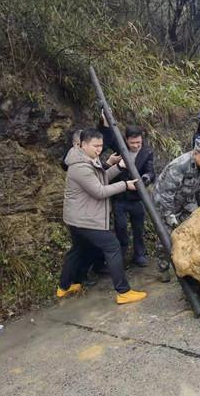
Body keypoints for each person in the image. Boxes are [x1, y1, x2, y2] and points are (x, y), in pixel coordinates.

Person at [58, 128, 147, 304]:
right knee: (112, 246)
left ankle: (64, 287)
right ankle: (123, 291)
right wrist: (124, 184)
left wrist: (118, 167)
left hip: (77, 218)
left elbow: (101, 178)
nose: (99, 150)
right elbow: (99, 191)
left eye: (100, 146)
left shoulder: (85, 159)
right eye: (95, 146)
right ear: (83, 145)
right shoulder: (80, 167)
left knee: (78, 250)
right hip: (84, 219)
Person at [152, 139, 200, 282]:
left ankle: (189, 263)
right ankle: (163, 268)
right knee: (166, 234)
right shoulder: (179, 166)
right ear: (196, 154)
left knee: (194, 226)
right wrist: (169, 215)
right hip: (165, 202)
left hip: (186, 198)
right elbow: (166, 194)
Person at [98, 117, 155, 267]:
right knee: (121, 227)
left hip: (137, 197)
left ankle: (139, 254)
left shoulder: (147, 151)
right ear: (126, 140)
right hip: (120, 196)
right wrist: (104, 123)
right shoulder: (119, 148)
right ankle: (122, 254)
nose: (136, 145)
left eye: (138, 142)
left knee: (138, 228)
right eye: (132, 142)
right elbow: (106, 138)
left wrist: (146, 178)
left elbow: (150, 171)